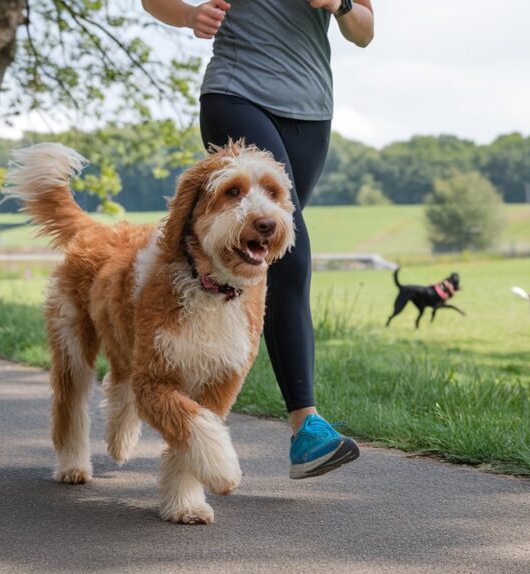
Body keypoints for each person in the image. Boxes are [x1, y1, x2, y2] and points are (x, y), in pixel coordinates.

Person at [141, 0, 375, 479]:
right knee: (291, 248)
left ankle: (199, 359)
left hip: (311, 111)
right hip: (237, 92)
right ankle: (306, 426)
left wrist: (342, 4)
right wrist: (190, 15)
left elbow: (364, 31)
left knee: (263, 255)